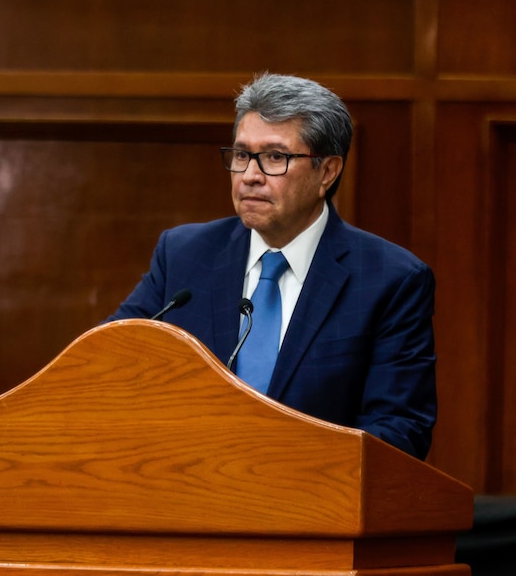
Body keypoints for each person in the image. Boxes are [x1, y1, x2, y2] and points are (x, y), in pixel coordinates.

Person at [107, 73, 437, 460]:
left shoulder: (390, 280)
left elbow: (399, 429)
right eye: (242, 155)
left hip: (311, 508)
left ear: (327, 172)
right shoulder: (183, 254)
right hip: (183, 492)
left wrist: (277, 468)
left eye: (275, 158)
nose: (250, 176)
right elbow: (106, 366)